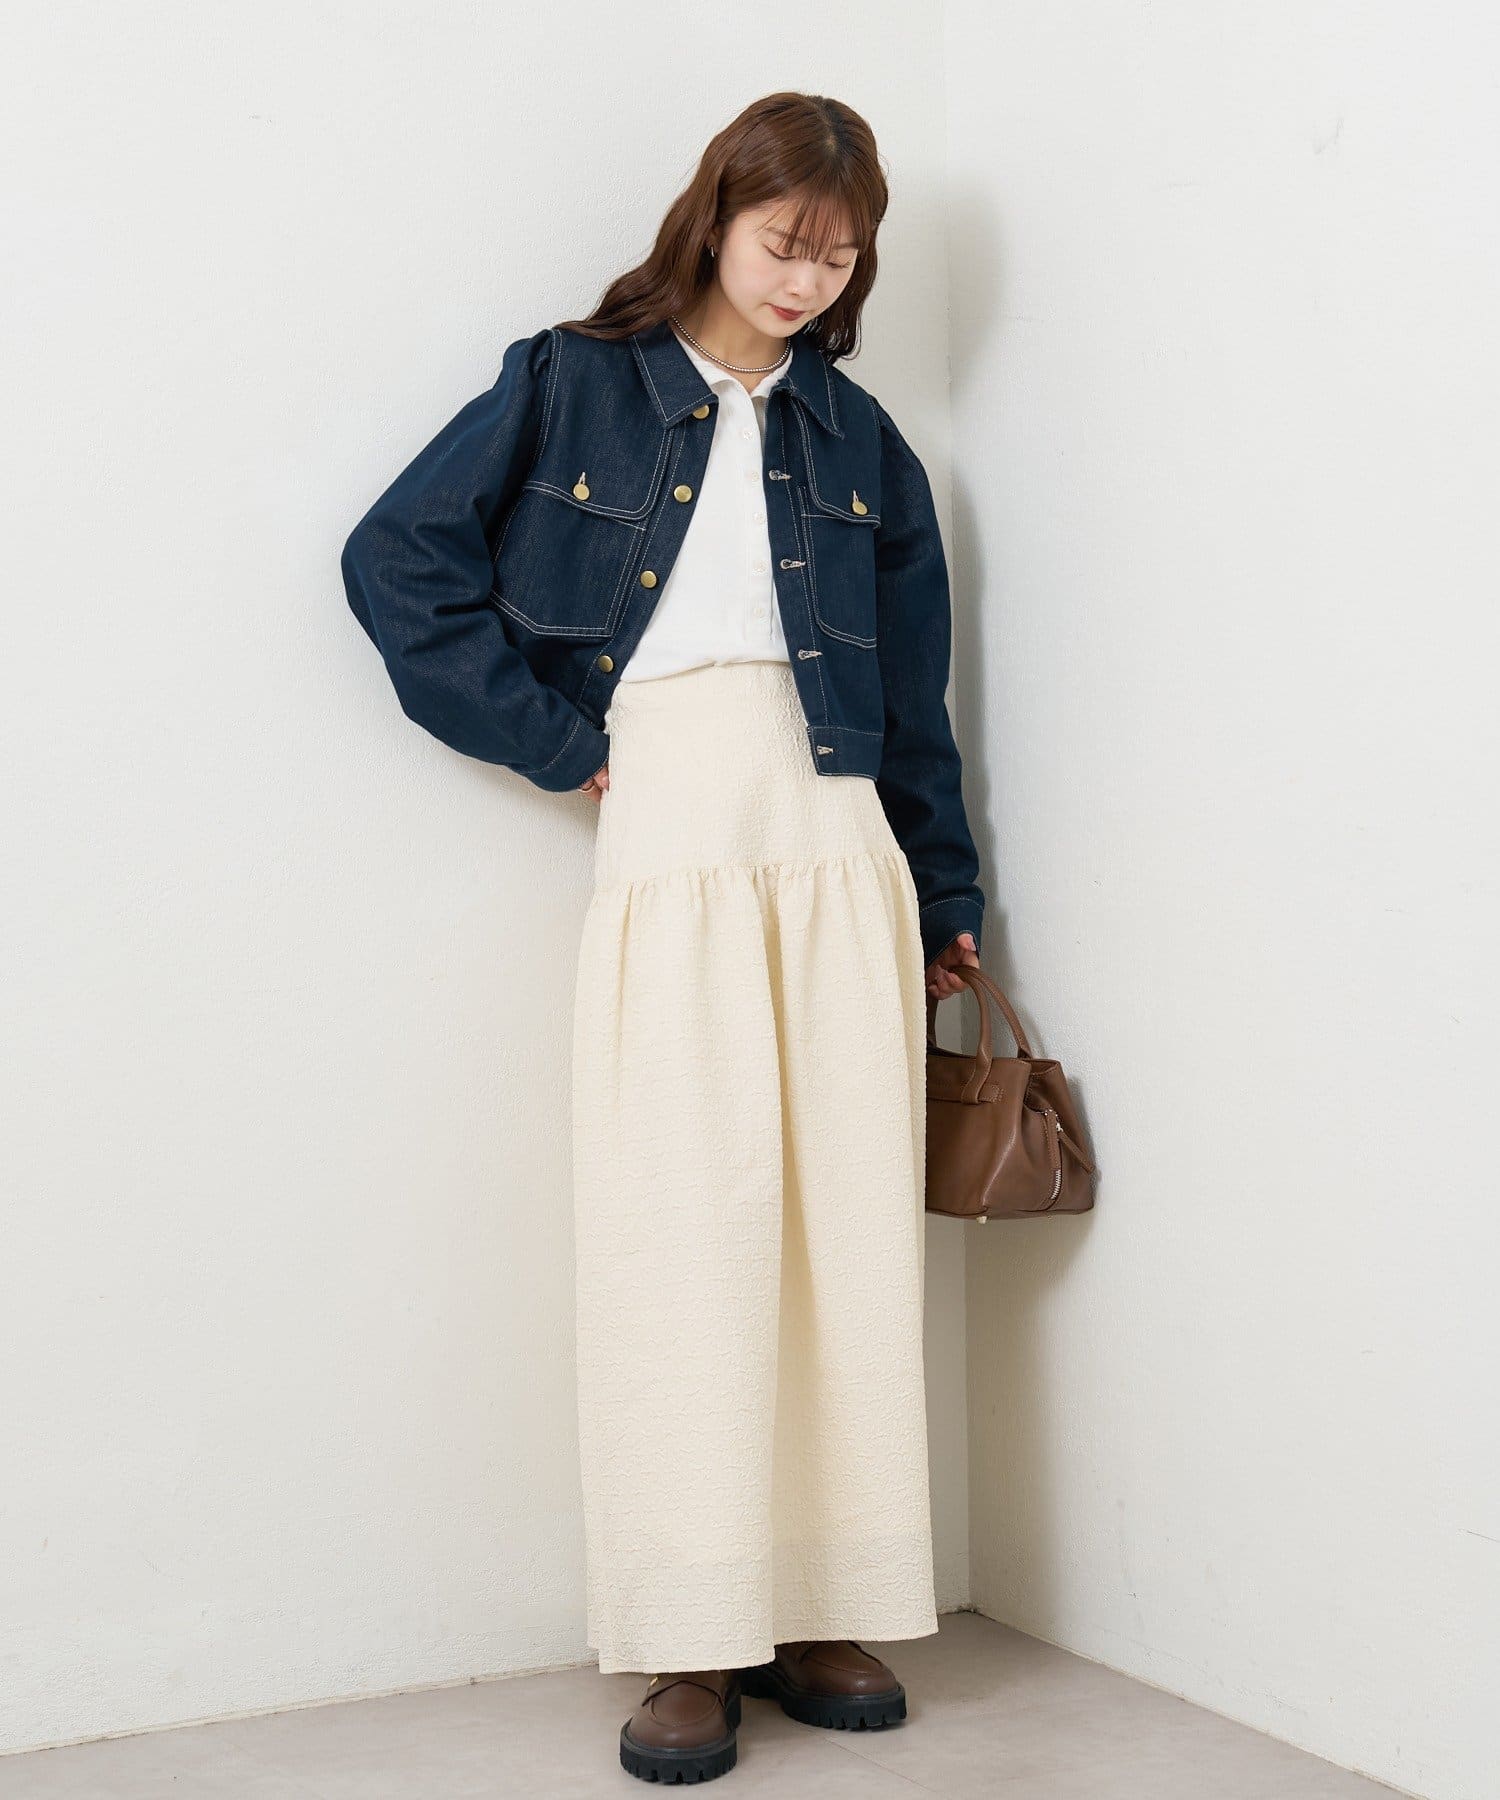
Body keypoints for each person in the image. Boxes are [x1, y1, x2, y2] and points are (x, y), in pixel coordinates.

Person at [341, 90, 985, 1786]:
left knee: (846, 1230)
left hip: (838, 834)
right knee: (682, 1230)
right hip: (673, 820)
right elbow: (397, 562)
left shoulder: (862, 443)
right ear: (715, 218)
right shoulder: (572, 382)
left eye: (839, 256)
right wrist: (561, 744)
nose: (807, 277)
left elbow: (914, 700)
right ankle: (691, 1633)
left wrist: (948, 898)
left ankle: (830, 1600)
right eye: (785, 241)